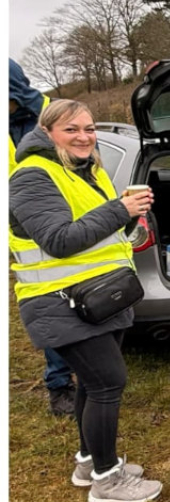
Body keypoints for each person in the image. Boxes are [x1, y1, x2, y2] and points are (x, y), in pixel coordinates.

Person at [9, 99, 162, 502]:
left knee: (92, 385)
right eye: (71, 129)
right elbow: (59, 240)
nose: (83, 136)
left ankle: (89, 461)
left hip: (97, 298)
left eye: (89, 128)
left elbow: (97, 230)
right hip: (60, 302)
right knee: (108, 382)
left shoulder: (85, 171)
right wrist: (119, 209)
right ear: (47, 132)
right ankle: (107, 481)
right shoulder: (31, 177)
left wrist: (130, 216)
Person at [9, 60, 75, 417]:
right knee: (49, 309)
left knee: (77, 300)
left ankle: (92, 370)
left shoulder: (57, 113)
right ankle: (60, 385)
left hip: (68, 226)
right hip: (24, 238)